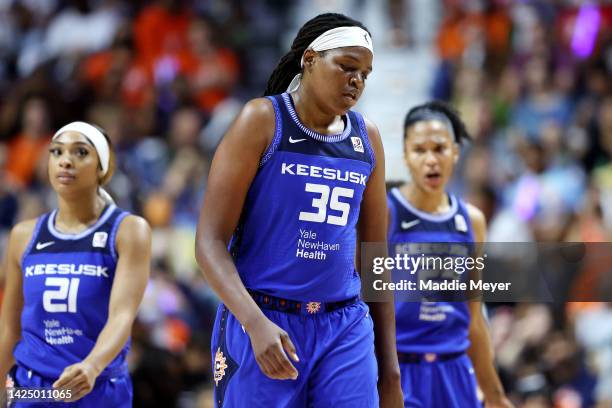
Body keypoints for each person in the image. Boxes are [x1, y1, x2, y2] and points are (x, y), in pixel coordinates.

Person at [195, 13, 403, 408]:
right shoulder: (262, 121)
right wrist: (254, 323)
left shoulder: (367, 138)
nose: (357, 81)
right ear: (309, 59)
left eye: (365, 73)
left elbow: (376, 259)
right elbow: (209, 242)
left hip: (344, 327)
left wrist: (389, 368)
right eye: (347, 67)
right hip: (264, 317)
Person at [0, 121, 151, 406]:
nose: (65, 161)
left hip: (98, 385)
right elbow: (9, 328)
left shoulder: (128, 230)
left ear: (102, 167)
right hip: (31, 388)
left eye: (80, 153)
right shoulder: (23, 235)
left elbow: (122, 316)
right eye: (56, 152)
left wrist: (92, 365)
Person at [387, 101, 513, 407]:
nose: (431, 160)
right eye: (420, 150)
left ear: (455, 152)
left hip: (455, 371)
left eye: (440, 149)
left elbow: (474, 319)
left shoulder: (472, 221)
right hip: (399, 372)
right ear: (405, 154)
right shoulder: (385, 213)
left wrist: (496, 395)